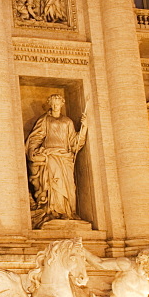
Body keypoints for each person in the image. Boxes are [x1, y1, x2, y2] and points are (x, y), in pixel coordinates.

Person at [25, 94, 87, 228]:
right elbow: (36, 136)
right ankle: (53, 211)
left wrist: (84, 127)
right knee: (54, 182)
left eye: (57, 104)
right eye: (53, 104)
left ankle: (68, 211)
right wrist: (33, 151)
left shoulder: (68, 121)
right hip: (50, 155)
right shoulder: (45, 120)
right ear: (50, 104)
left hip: (65, 156)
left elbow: (74, 142)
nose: (55, 106)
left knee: (69, 185)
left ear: (62, 104)